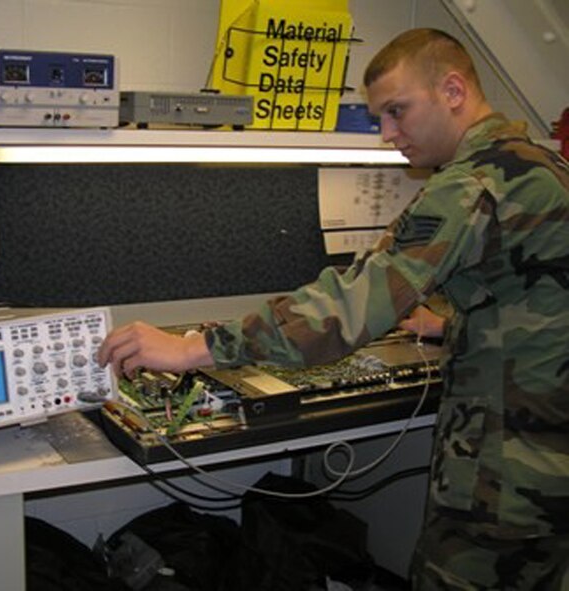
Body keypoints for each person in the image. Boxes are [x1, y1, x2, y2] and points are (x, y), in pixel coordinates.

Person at [98, 28, 569, 589]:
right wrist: (455, 323)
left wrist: (193, 347)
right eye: (379, 119)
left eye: (397, 111)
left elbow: (348, 307)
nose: (389, 134)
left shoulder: (473, 184)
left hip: (504, 481)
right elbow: (539, 290)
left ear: (452, 90)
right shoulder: (539, 164)